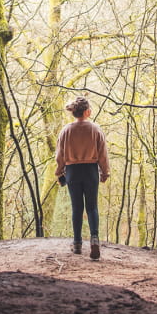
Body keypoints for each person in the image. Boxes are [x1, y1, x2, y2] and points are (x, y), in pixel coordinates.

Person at [54, 96, 110, 260]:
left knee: (76, 208)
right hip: (91, 170)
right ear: (87, 112)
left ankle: (77, 243)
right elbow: (103, 154)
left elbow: (60, 155)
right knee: (92, 207)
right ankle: (94, 238)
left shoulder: (66, 130)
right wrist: (105, 172)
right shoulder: (95, 129)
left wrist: (59, 172)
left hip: (72, 171)